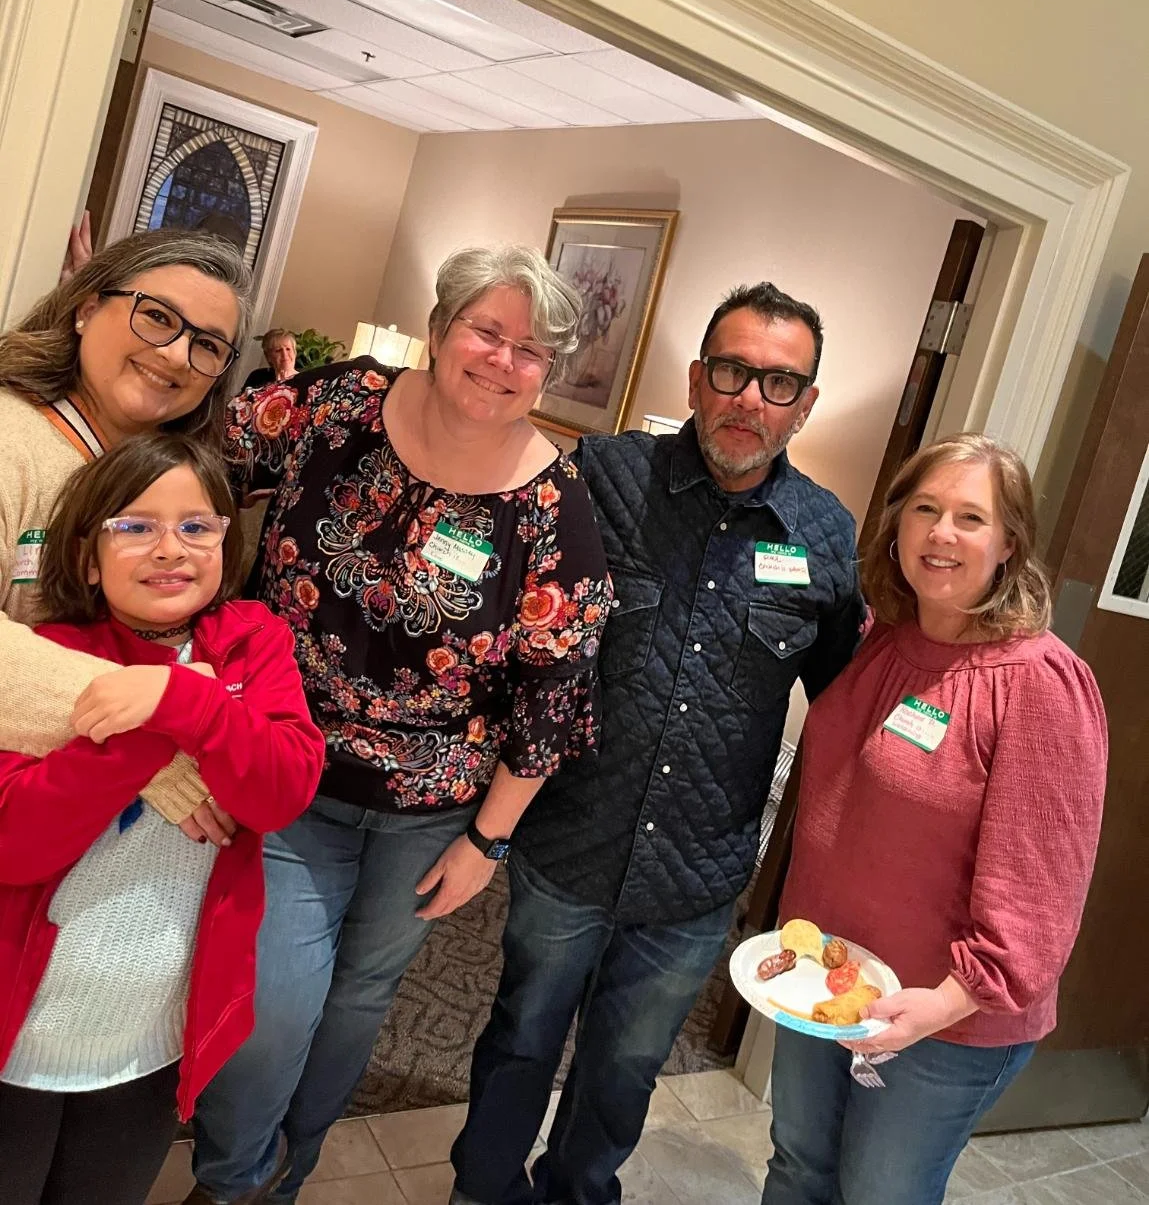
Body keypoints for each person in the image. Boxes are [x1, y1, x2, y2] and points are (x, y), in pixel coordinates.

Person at [184, 244, 613, 1205]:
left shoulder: (555, 506)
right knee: (275, 1004)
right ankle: (230, 1182)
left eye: (532, 350)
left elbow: (554, 695)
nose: (504, 361)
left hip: (432, 813)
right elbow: (199, 464)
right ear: (438, 328)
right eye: (486, 331)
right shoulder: (337, 406)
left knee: (355, 1005)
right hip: (288, 774)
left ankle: (287, 1175)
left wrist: (486, 844)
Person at [452, 281, 866, 1205]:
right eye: (731, 370)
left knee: (623, 1070)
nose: (748, 399)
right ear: (695, 375)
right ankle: (480, 1190)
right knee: (520, 1036)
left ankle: (575, 1193)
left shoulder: (825, 534)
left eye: (777, 383)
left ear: (804, 405)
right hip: (569, 840)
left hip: (696, 873)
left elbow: (845, 703)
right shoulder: (602, 476)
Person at [760, 434, 1108, 1205]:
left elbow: (1041, 896)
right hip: (829, 975)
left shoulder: (1039, 683)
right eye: (924, 508)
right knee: (796, 1166)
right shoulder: (885, 641)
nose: (941, 533)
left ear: (1007, 542)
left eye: (969, 516)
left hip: (943, 1016)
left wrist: (951, 998)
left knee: (878, 1192)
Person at [0, 434, 324, 1205]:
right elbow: (14, 844)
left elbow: (282, 789)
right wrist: (143, 735)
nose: (169, 548)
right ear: (86, 556)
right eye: (135, 526)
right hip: (17, 1039)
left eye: (196, 525)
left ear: (226, 540)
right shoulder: (49, 655)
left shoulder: (252, 643)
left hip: (152, 1044)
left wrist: (185, 699)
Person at [0, 229, 253, 842]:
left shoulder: (165, 474)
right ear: (87, 305)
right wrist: (154, 733)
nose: (173, 355)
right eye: (157, 317)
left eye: (207, 346)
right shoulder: (12, 441)